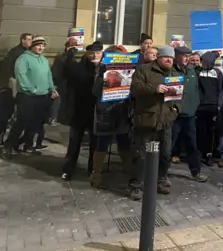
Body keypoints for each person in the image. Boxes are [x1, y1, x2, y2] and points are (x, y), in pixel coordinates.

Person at [129, 45, 182, 200]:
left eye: (171, 58)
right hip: (146, 119)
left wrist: (176, 111)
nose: (169, 60)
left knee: (165, 154)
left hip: (165, 121)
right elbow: (135, 88)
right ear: (158, 57)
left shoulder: (175, 73)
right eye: (166, 57)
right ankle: (136, 185)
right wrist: (154, 88)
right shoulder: (144, 70)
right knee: (141, 155)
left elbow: (180, 96)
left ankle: (161, 180)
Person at [2, 36, 58, 159]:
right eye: (38, 45)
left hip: (42, 96)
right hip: (27, 96)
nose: (41, 47)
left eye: (43, 45)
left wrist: (52, 89)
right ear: (32, 46)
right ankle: (9, 146)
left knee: (35, 123)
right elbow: (21, 76)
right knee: (22, 122)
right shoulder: (23, 59)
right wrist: (31, 89)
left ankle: (27, 145)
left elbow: (48, 76)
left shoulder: (43, 60)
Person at [90, 45, 133, 189]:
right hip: (106, 112)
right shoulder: (101, 72)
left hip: (121, 111)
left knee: (124, 142)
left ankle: (129, 172)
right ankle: (96, 175)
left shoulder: (127, 72)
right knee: (102, 143)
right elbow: (95, 92)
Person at [61, 41, 104, 180]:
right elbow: (70, 86)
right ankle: (68, 168)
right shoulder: (78, 68)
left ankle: (93, 169)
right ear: (87, 53)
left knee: (94, 142)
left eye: (97, 53)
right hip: (79, 110)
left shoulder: (105, 69)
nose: (94, 55)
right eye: (92, 53)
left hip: (97, 111)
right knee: (75, 142)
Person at [171, 47, 207, 181]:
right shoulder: (171, 70)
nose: (187, 59)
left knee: (192, 145)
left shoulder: (192, 70)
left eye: (188, 56)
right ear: (177, 56)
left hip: (190, 114)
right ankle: (160, 174)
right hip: (175, 115)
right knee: (169, 145)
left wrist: (195, 105)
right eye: (184, 56)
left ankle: (196, 171)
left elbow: (196, 90)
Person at [0, 33, 32, 142]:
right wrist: (10, 80)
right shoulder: (15, 52)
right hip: (14, 84)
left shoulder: (29, 53)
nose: (30, 42)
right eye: (28, 40)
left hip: (24, 85)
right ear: (23, 40)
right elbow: (7, 67)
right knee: (8, 112)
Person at [196, 51, 223, 166]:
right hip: (200, 106)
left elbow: (220, 90)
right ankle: (200, 152)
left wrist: (219, 105)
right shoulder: (198, 72)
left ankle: (209, 153)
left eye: (204, 61)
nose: (203, 63)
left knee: (211, 131)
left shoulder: (217, 73)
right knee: (201, 130)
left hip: (213, 106)